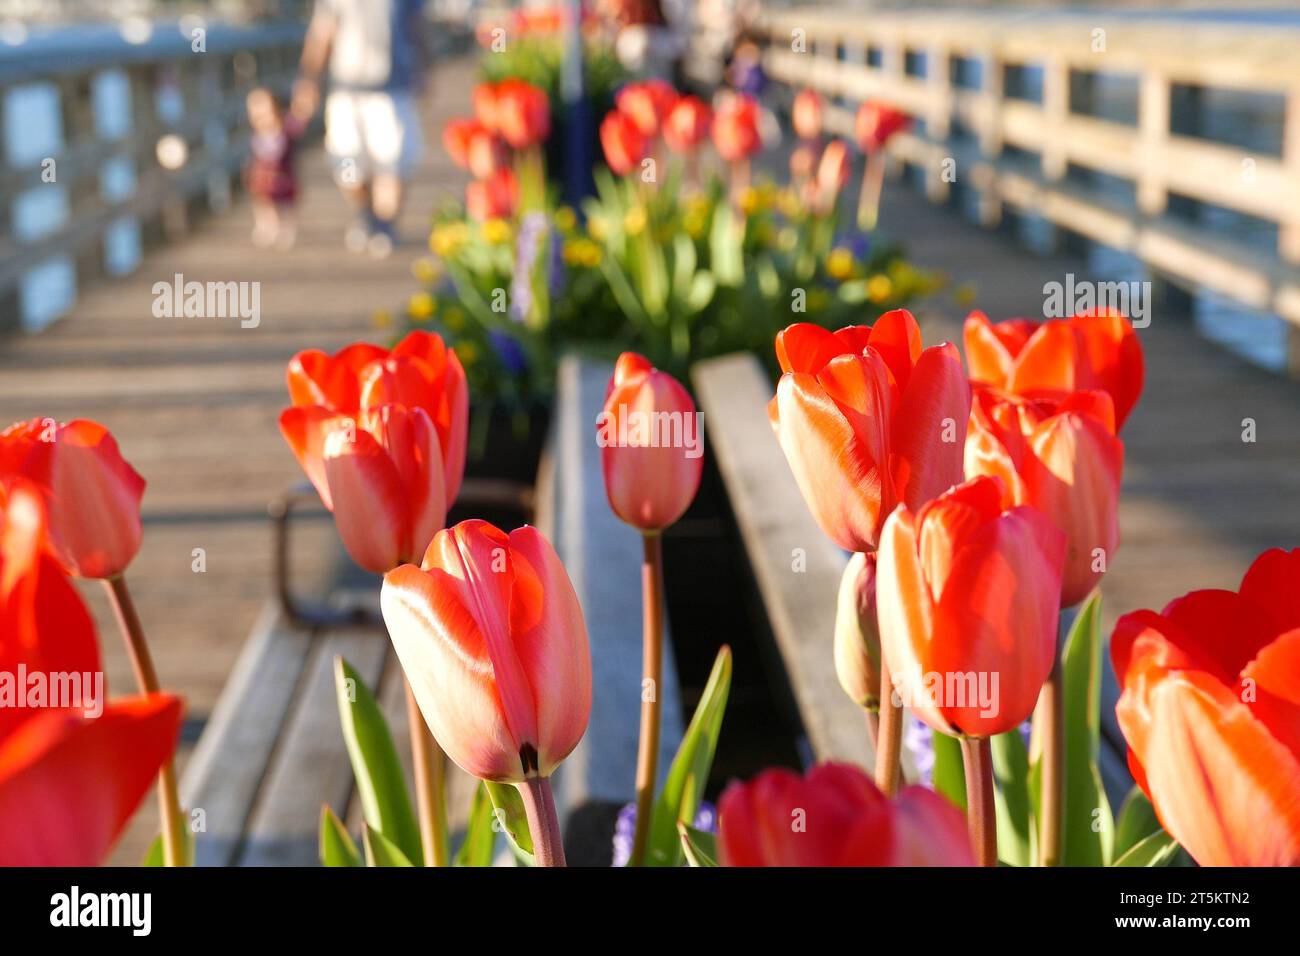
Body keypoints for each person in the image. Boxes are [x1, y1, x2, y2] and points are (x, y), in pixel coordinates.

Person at [294, 0, 431, 258]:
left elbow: (419, 27)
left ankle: (384, 225)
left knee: (394, 161)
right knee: (348, 166)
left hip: (394, 89)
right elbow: (322, 32)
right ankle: (367, 213)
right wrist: (309, 79)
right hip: (347, 91)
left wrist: (425, 70)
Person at [245, 88, 305, 249]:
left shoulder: (285, 128)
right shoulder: (255, 131)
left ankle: (286, 228)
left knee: (286, 203)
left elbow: (299, 122)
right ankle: (267, 225)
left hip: (283, 175)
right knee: (263, 201)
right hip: (263, 176)